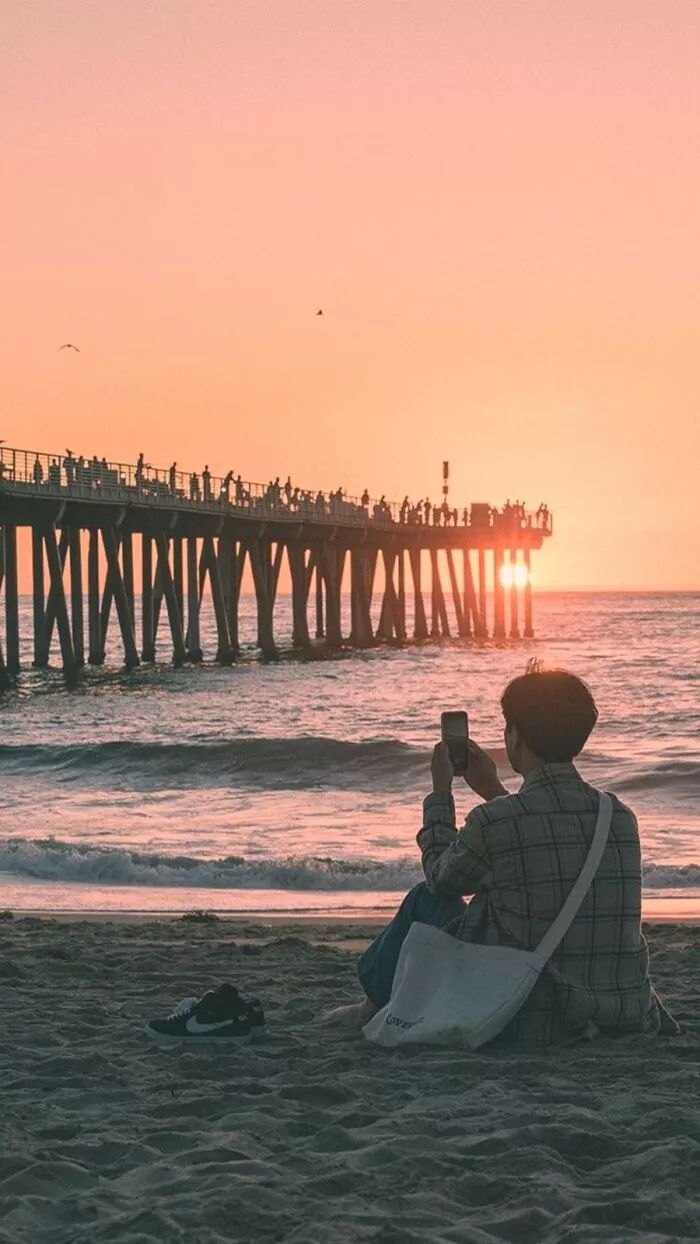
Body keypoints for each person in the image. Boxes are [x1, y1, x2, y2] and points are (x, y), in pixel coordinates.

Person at [320, 662, 678, 1047]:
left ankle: (370, 1006)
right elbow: (542, 844)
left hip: (527, 1012)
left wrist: (441, 794)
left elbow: (439, 877)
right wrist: (494, 791)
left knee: (425, 899)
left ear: (516, 737)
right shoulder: (620, 817)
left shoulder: (495, 822)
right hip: (620, 1010)